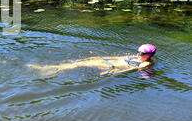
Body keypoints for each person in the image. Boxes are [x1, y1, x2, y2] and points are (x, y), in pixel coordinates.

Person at [27, 44, 157, 77]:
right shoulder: (137, 57)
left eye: (141, 53)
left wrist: (113, 72)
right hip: (103, 61)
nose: (138, 53)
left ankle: (47, 69)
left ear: (148, 55)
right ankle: (50, 68)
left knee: (76, 65)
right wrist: (101, 58)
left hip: (107, 66)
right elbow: (117, 58)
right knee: (77, 63)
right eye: (138, 51)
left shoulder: (146, 63)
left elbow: (130, 68)